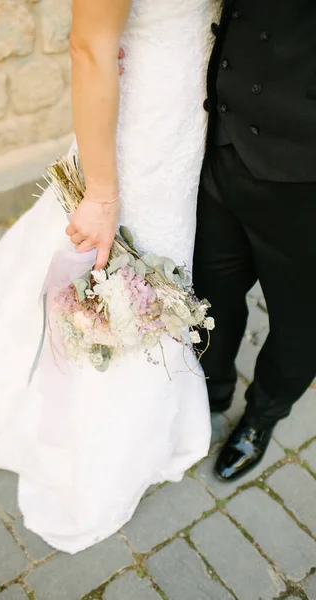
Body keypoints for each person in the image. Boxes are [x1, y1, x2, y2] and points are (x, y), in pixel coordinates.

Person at [0, 0, 217, 554]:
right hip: (139, 126)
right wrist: (100, 192)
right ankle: (98, 440)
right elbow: (88, 45)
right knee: (120, 270)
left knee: (167, 260)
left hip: (189, 110)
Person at [193, 0, 316, 481]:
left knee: (300, 324)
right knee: (209, 292)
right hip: (223, 145)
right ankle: (211, 390)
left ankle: (261, 416)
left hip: (305, 176)